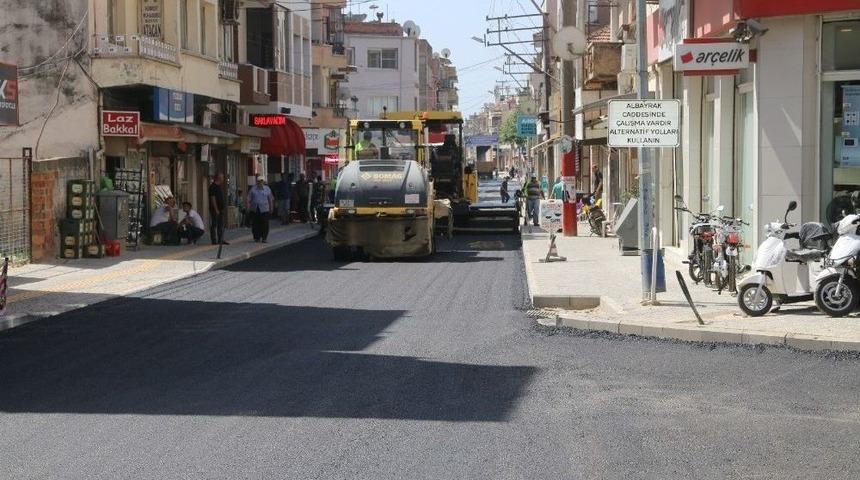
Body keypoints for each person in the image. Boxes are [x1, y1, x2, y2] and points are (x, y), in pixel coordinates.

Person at [246, 176, 274, 243]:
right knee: (255, 224)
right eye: (258, 181)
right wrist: (248, 207)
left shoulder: (267, 189)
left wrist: (271, 207)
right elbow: (248, 199)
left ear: (263, 182)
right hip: (255, 209)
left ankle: (264, 238)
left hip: (264, 209)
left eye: (261, 181)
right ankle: (257, 237)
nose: (260, 182)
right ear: (256, 182)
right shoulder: (253, 189)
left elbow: (270, 199)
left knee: (265, 224)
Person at [209, 173, 228, 245]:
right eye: (222, 177)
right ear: (218, 178)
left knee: (221, 224)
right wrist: (216, 209)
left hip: (221, 209)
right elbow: (213, 198)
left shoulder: (219, 186)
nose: (223, 179)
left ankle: (220, 239)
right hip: (215, 209)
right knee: (214, 224)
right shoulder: (213, 187)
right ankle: (214, 240)